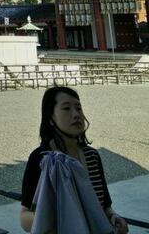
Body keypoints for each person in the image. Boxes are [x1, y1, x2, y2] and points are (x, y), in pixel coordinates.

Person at [20, 86, 128, 233]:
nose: (76, 114)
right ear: (51, 118)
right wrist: (57, 220)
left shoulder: (92, 156)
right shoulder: (42, 159)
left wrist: (114, 217)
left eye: (78, 108)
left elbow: (103, 207)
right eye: (66, 108)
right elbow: (24, 217)